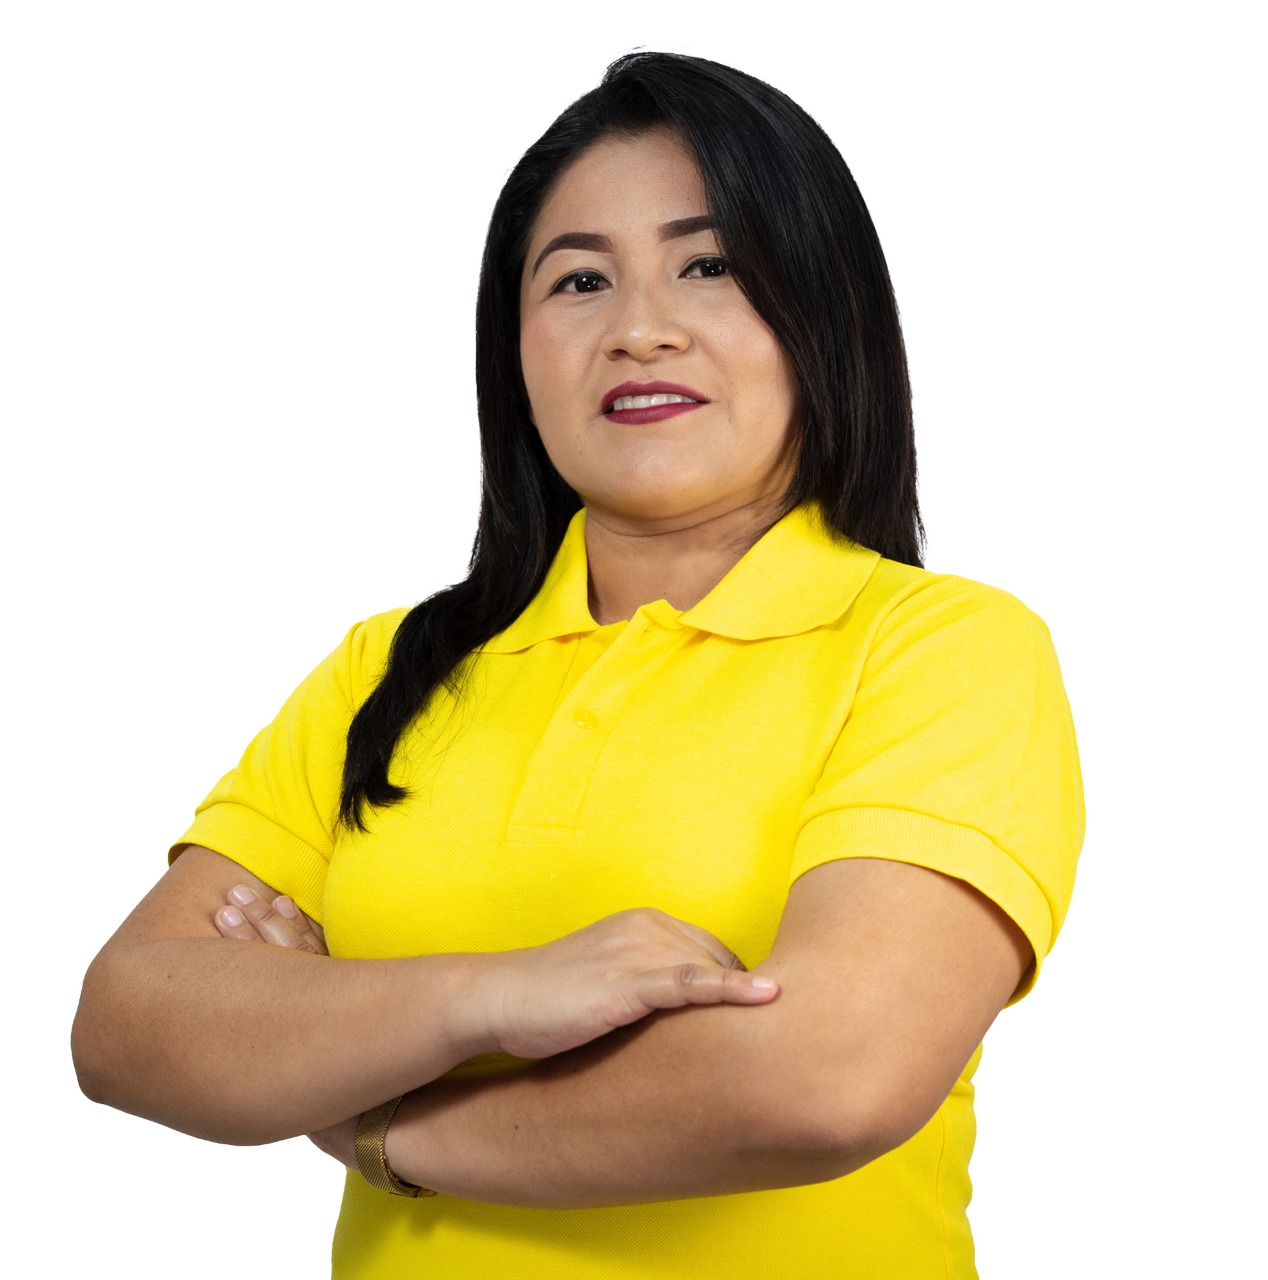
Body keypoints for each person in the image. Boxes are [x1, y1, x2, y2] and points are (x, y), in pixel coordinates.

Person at [72, 51, 1084, 1279]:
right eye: (579, 280)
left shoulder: (939, 649)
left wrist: (379, 1114)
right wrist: (495, 995)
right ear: (514, 352)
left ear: (824, 312)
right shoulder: (391, 667)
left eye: (708, 265)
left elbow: (828, 1075)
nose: (638, 328)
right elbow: (129, 1019)